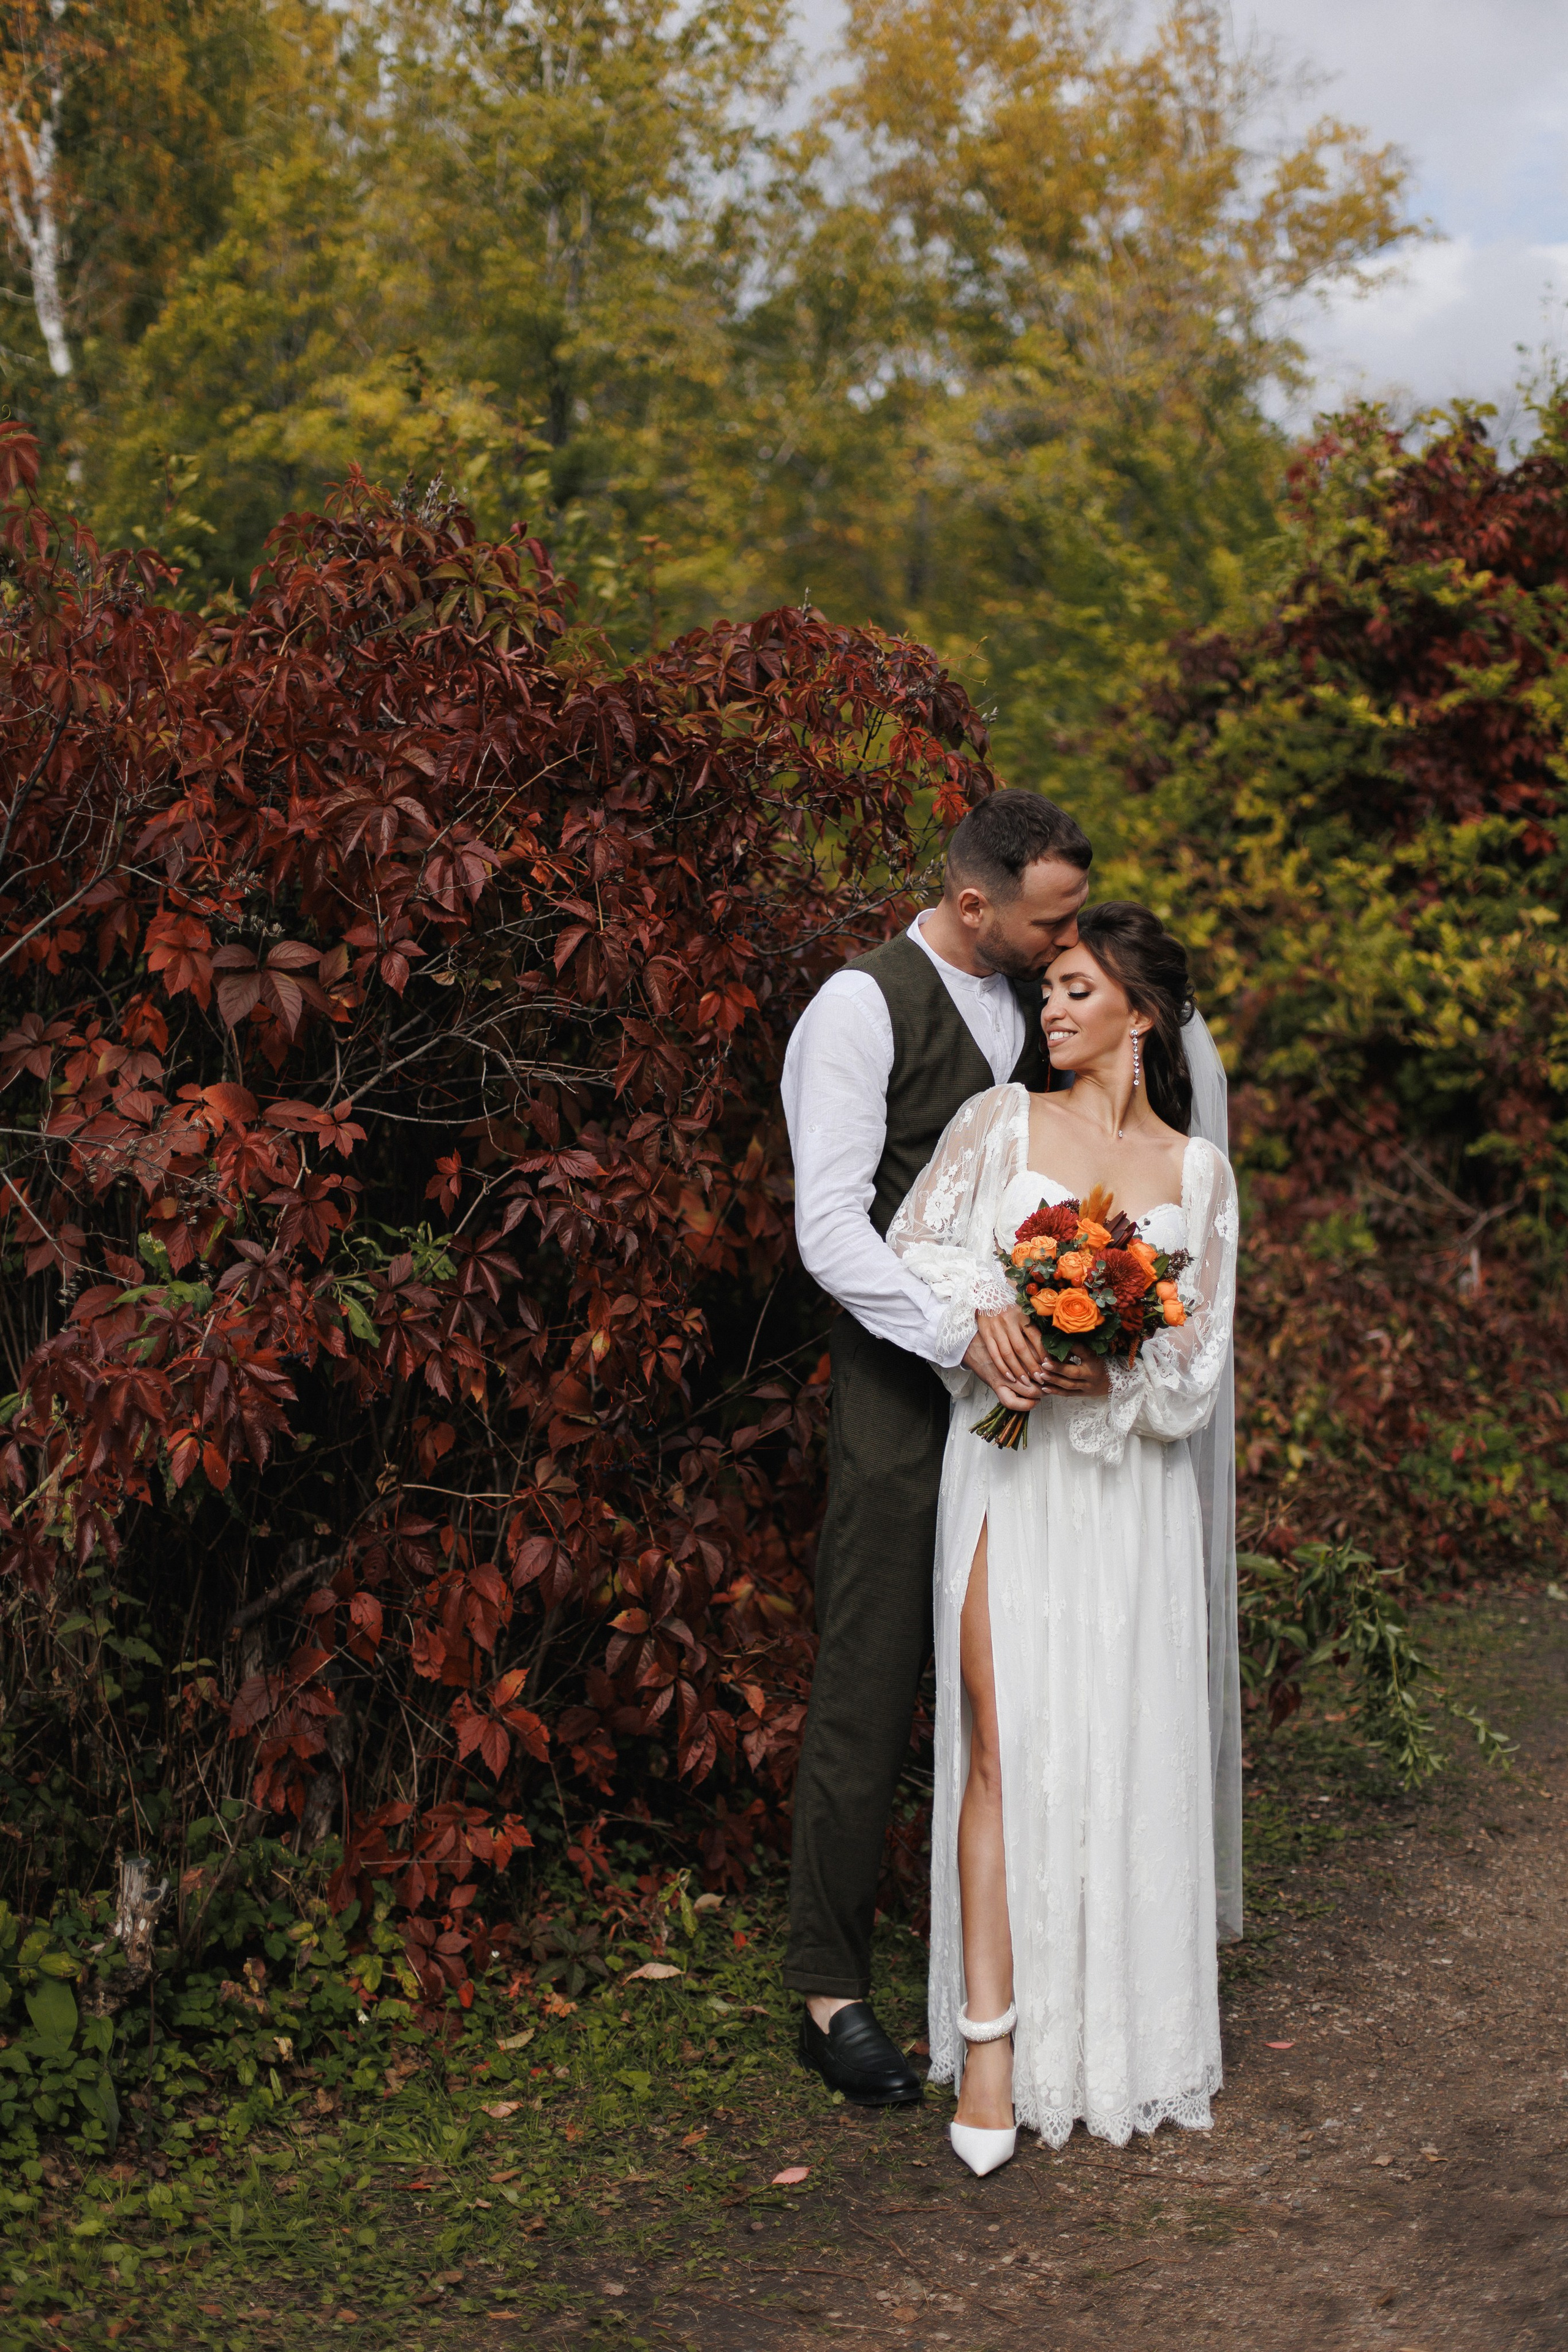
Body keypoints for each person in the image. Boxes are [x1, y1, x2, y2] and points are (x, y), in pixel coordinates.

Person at [886, 902, 1240, 2172]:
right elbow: (913, 1251)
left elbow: (1196, 1371)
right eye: (1047, 989)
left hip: (1128, 1501)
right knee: (999, 1742)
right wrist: (1002, 1316)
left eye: (1077, 989)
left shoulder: (1198, 1178)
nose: (1051, 1007)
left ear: (1141, 1015)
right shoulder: (998, 1124)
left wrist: (1115, 1367)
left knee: (1117, 1746)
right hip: (1011, 1476)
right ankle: (990, 2049)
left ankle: (1112, 2035)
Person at [780, 788, 1093, 2104]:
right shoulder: (860, 1010)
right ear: (975, 905)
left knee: (1027, 1676)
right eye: (1051, 922)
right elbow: (828, 1228)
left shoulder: (1044, 1006)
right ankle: (828, 1991)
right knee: (870, 1673)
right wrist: (959, 1335)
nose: (1067, 942)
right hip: (904, 1390)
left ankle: (1033, 1968)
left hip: (1043, 1400)